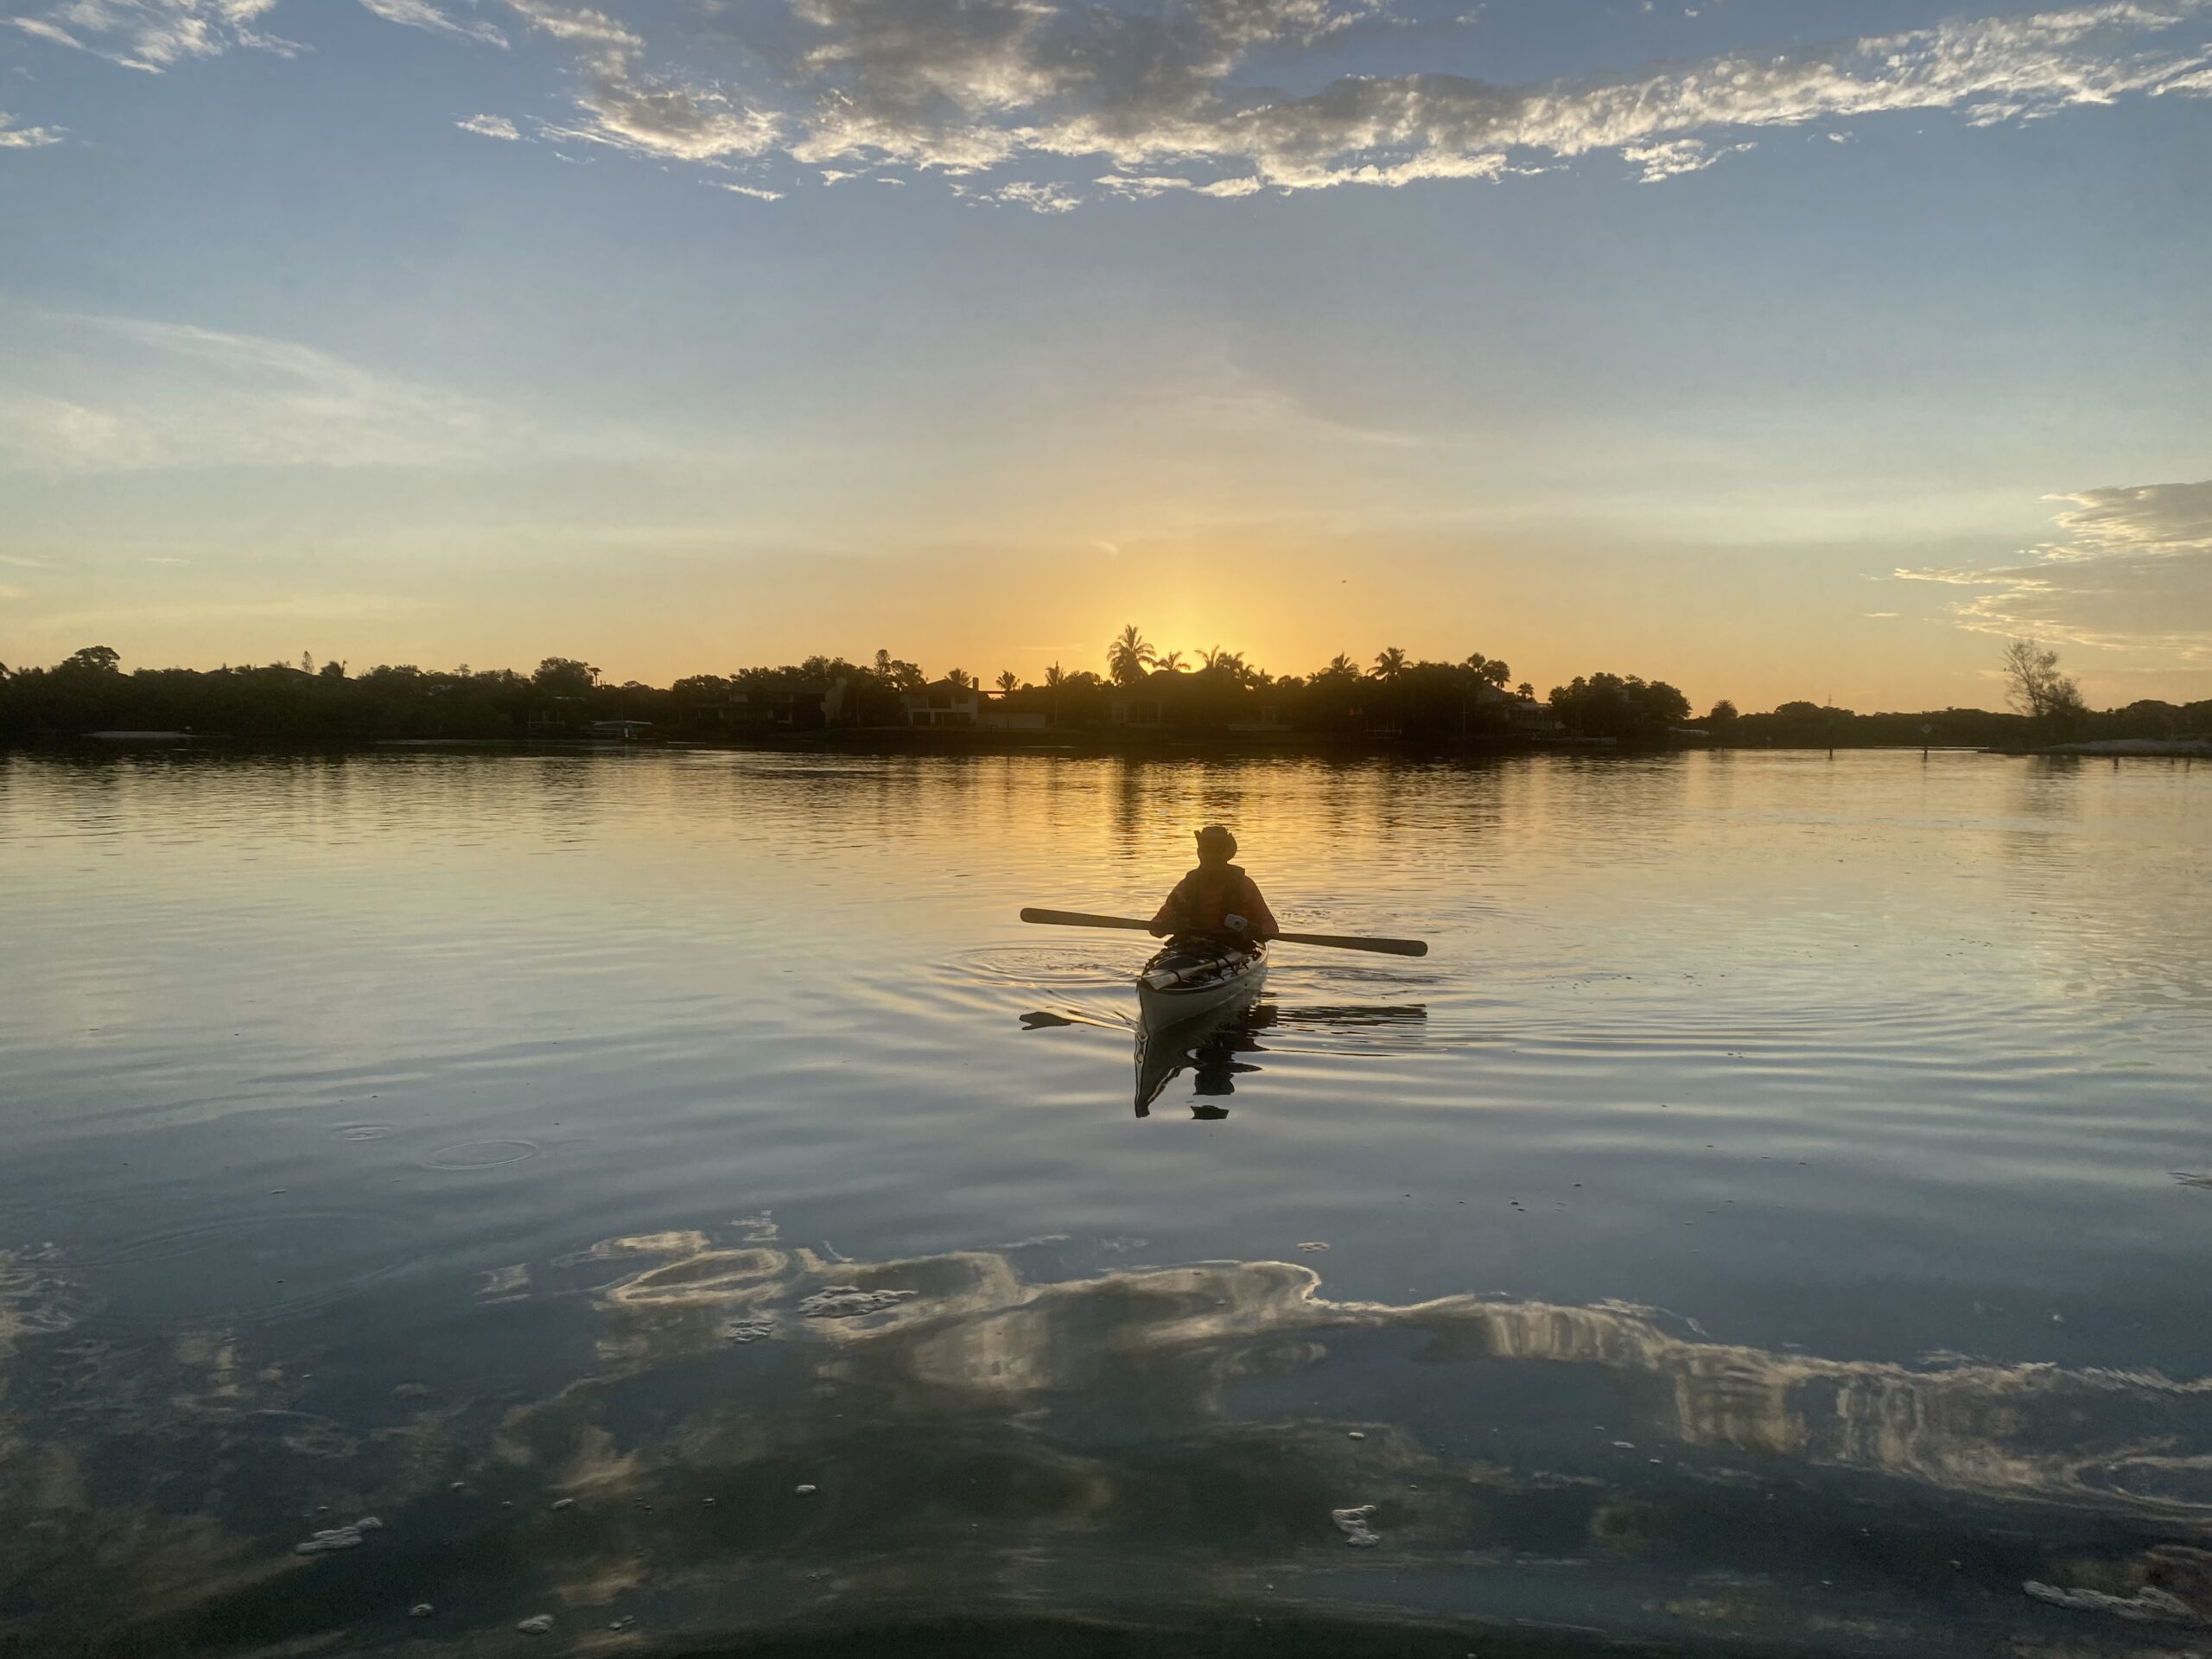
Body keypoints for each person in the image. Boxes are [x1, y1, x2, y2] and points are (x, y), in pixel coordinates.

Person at [1149, 824, 1280, 946]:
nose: (1211, 855)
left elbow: (1271, 927)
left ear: (1226, 854)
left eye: (1217, 849)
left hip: (1233, 946)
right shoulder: (1186, 886)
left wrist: (1254, 930)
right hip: (1190, 947)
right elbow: (1156, 928)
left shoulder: (1244, 885)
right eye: (1207, 849)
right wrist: (1167, 925)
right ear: (1200, 853)